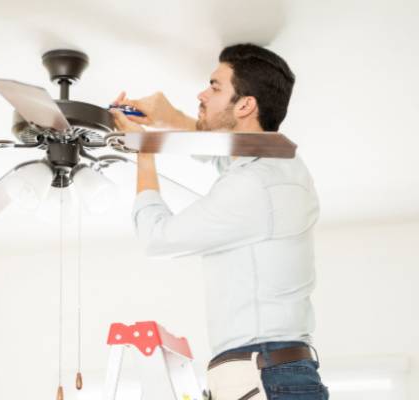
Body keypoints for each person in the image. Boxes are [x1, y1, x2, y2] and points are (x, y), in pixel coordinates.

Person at [110, 43, 329, 400]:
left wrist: (144, 153)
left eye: (214, 86)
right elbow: (223, 154)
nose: (201, 93)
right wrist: (168, 118)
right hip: (267, 372)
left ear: (245, 104)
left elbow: (157, 238)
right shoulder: (275, 168)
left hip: (263, 373)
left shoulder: (253, 185)